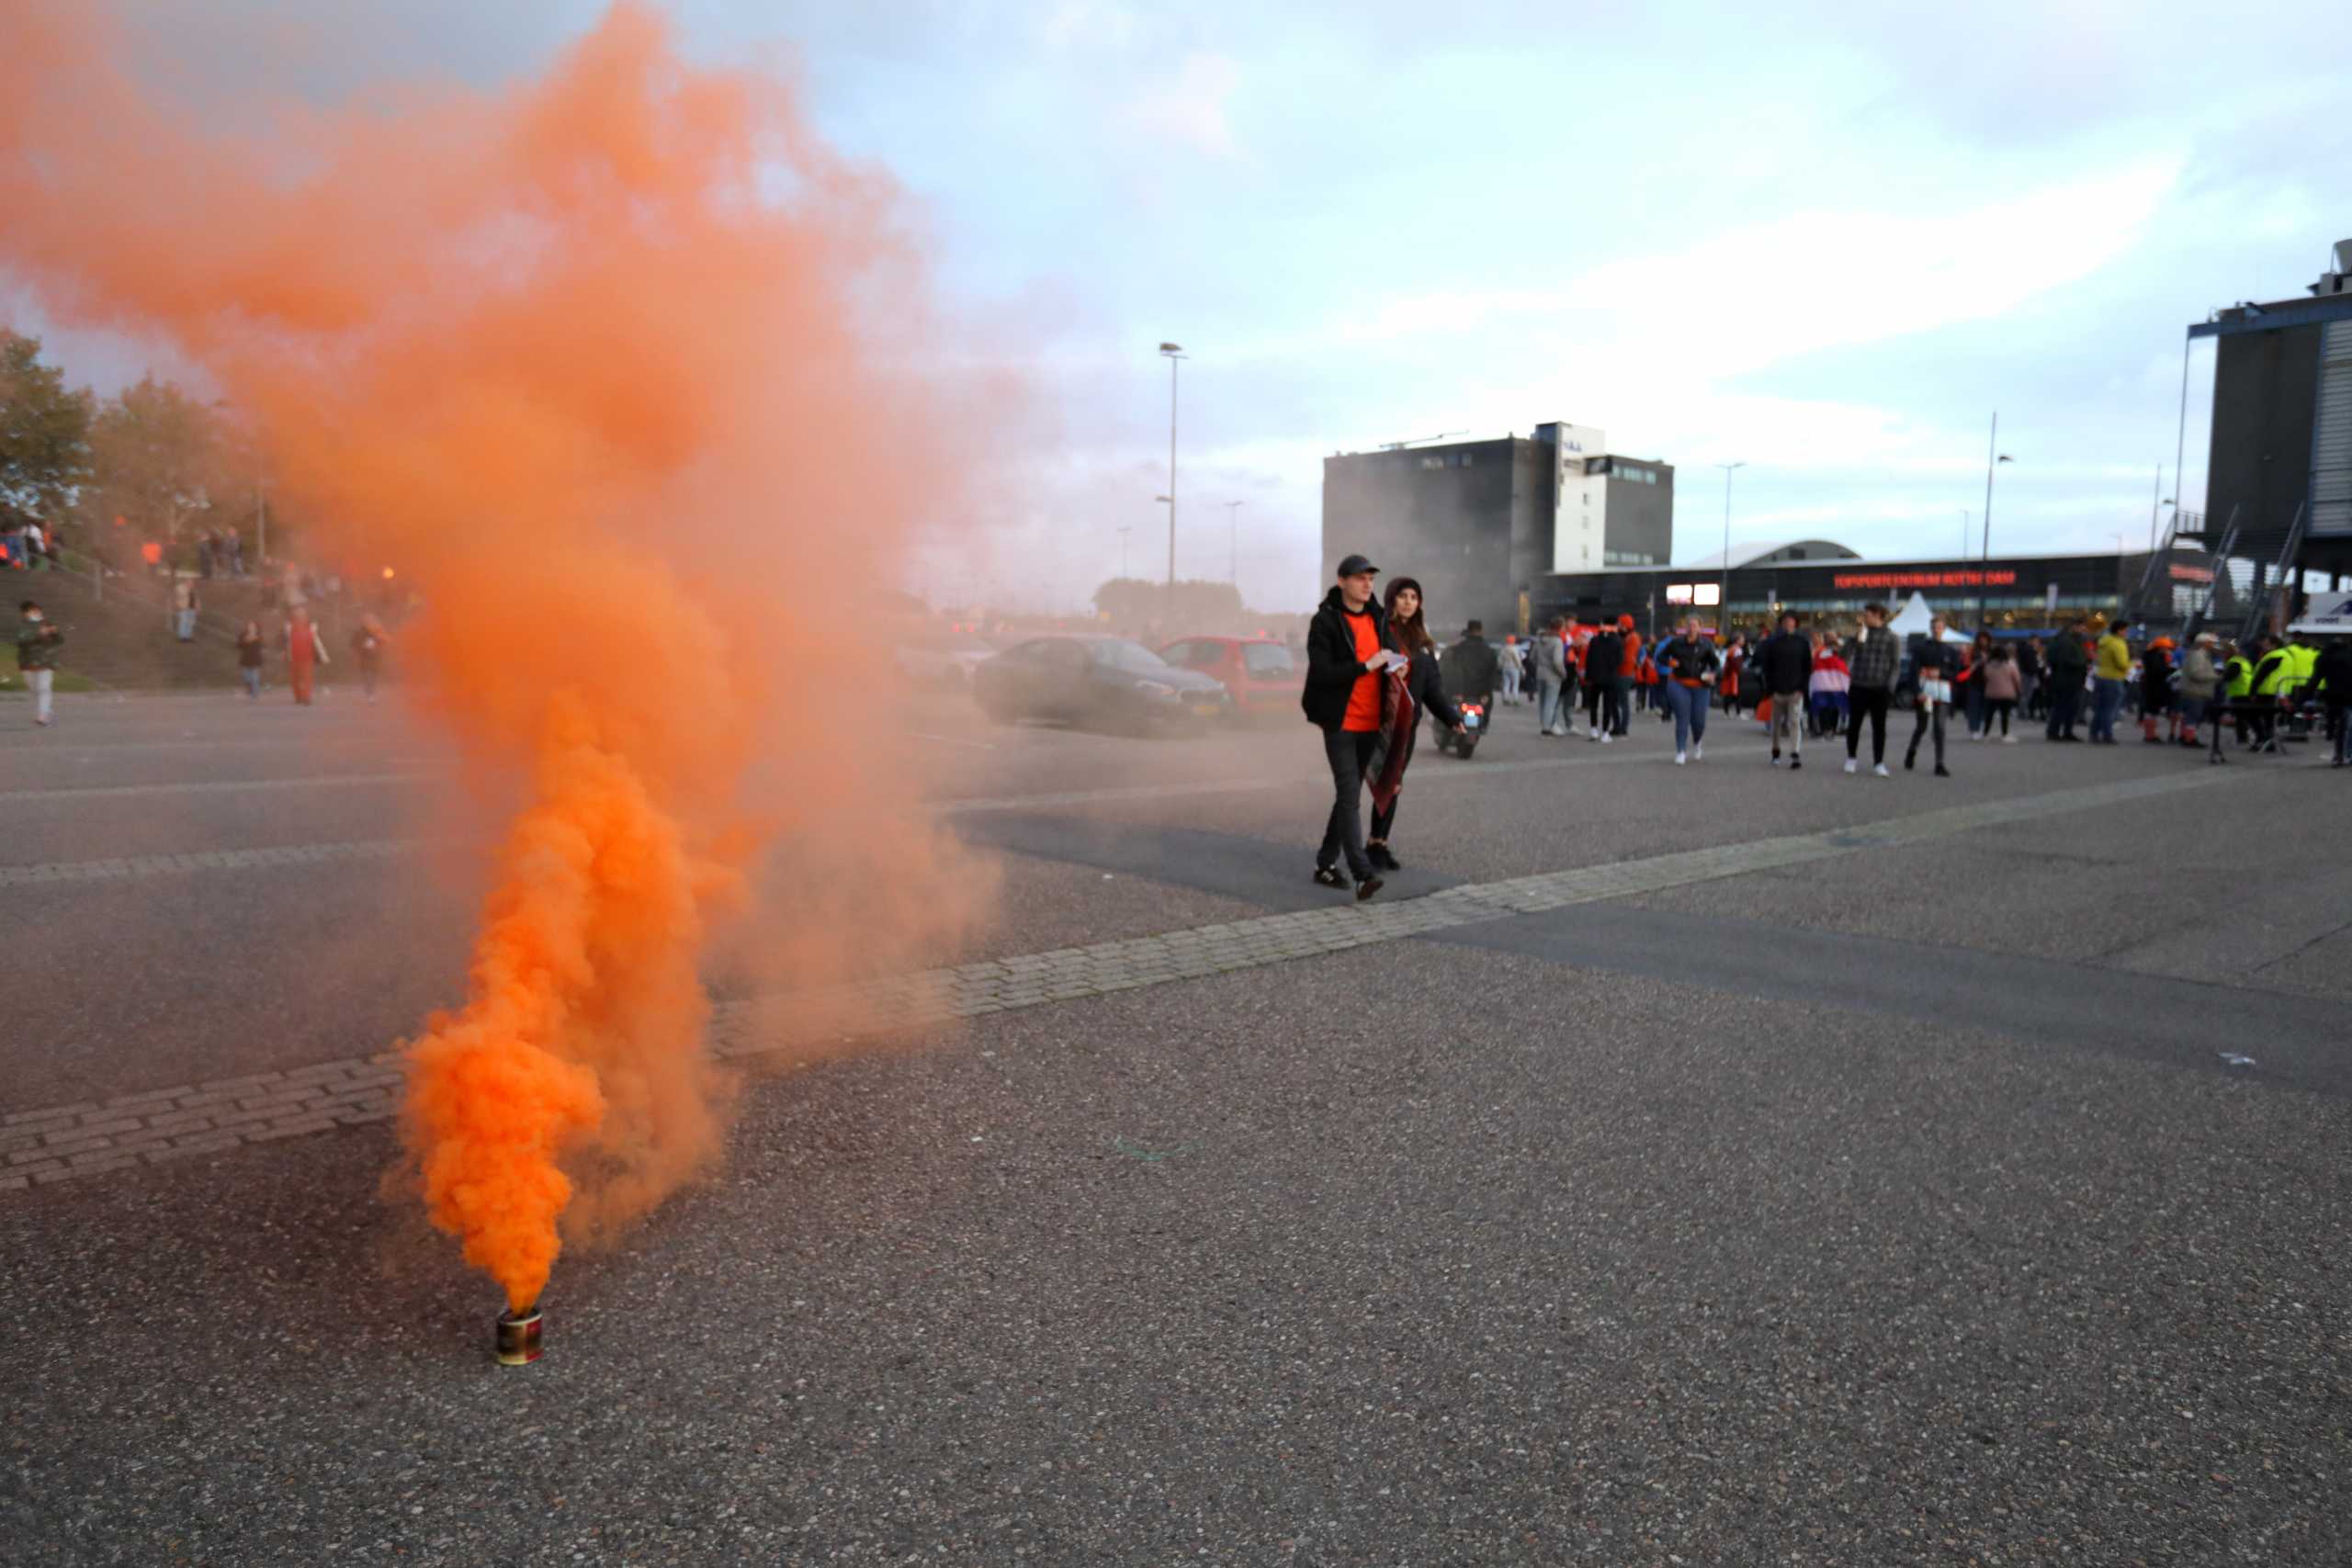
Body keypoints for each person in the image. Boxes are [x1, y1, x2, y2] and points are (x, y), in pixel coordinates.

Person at [1301, 553, 1394, 900]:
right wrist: (1364, 666)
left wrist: (1396, 666)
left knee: (1347, 796)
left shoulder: (1378, 617)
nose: (1367, 584)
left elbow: (1392, 653)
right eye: (1360, 578)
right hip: (1340, 722)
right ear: (1342, 582)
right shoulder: (1326, 621)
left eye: (1371, 578)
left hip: (1371, 722)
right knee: (1350, 794)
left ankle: (1325, 863)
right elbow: (1322, 671)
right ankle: (1361, 873)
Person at [1364, 578, 1465, 871]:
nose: (1408, 601)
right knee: (1371, 783)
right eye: (1402, 596)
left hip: (1406, 724)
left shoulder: (1421, 640)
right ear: (1392, 599)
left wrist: (1451, 717)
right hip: (1379, 721)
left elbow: (1432, 687)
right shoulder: (1381, 631)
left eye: (1414, 597)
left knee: (1393, 785)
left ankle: (1378, 843)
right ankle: (1346, 850)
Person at [1843, 602, 1899, 776]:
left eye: (1867, 615)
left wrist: (1890, 687)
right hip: (1859, 685)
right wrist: (1853, 640)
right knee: (1854, 725)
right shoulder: (1860, 634)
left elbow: (1895, 664)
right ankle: (1851, 758)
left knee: (1879, 727)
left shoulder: (1892, 637)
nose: (1864, 618)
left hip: (1880, 688)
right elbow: (1844, 656)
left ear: (1877, 616)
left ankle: (1878, 762)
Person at [1655, 616, 1719, 764]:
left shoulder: (1706, 644)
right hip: (1679, 683)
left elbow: (1715, 663)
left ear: (1700, 628)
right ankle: (1681, 751)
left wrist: (1713, 674)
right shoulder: (1676, 643)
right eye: (1689, 625)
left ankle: (1697, 742)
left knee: (1698, 720)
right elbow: (1660, 657)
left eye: (1695, 625)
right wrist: (1670, 662)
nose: (1691, 628)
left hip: (1700, 685)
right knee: (1682, 717)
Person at [1905, 613, 1962, 777]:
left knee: (1939, 727)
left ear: (1944, 629)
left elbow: (1955, 673)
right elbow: (1913, 672)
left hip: (1942, 692)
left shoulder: (1951, 651)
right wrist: (1917, 692)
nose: (1937, 630)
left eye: (1940, 627)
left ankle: (1939, 763)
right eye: (1934, 627)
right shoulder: (1922, 648)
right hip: (1925, 692)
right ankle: (1912, 750)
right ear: (1931, 628)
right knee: (1922, 726)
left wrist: (1941, 673)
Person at [1756, 611, 1813, 769]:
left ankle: (1795, 753)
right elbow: (1767, 667)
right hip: (1777, 690)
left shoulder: (1802, 643)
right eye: (1786, 621)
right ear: (1781, 623)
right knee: (1776, 724)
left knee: (1794, 722)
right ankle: (1776, 751)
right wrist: (1770, 688)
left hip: (1795, 690)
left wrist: (1802, 688)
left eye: (1791, 620)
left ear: (1796, 623)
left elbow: (1807, 667)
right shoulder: (1773, 643)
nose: (1788, 623)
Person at [16, 599, 62, 727]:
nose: (36, 613)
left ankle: (42, 716)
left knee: (43, 688)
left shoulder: (47, 623)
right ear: (25, 613)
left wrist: (55, 632)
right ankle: (47, 711)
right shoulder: (22, 626)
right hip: (27, 662)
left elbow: (59, 641)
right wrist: (39, 634)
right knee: (34, 689)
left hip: (46, 662)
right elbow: (21, 640)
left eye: (37, 610)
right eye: (32, 611)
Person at [2046, 617, 2089, 740]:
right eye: (2081, 626)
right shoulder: (2066, 641)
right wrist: (2082, 662)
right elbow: (2065, 661)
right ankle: (2055, 732)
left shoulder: (2072, 640)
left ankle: (2065, 731)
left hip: (2070, 679)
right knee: (2062, 706)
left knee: (2069, 707)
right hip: (2066, 680)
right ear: (2074, 627)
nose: (2084, 629)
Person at [2177, 631, 2220, 756]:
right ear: (2205, 643)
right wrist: (2215, 676)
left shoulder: (2198, 654)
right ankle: (2189, 739)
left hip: (2193, 690)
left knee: (2190, 716)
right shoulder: (2199, 655)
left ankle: (2186, 737)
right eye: (2211, 643)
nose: (2213, 645)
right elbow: (2196, 673)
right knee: (2193, 717)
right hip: (2196, 691)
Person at [2090, 617, 2132, 744]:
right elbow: (2122, 664)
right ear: (2119, 631)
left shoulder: (2104, 641)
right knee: (2110, 709)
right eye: (2125, 630)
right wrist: (2131, 665)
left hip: (2101, 677)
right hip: (2113, 679)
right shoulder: (2118, 643)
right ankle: (2107, 735)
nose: (2127, 633)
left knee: (2100, 708)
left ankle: (2094, 734)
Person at [2313, 635, 2352, 768]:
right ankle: (2343, 754)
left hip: (2336, 696)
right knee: (2345, 726)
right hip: (2344, 696)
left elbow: (2315, 679)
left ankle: (2341, 754)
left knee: (2343, 726)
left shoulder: (2326, 657)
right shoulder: (2344, 656)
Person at [1584, 619, 1623, 743]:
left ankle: (1593, 729)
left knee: (1594, 704)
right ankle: (1605, 732)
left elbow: (1588, 659)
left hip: (1595, 677)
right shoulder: (1617, 641)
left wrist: (1588, 676)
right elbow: (1620, 660)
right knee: (1607, 706)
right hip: (1610, 678)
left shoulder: (1594, 640)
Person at [1809, 630, 1850, 740]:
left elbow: (1844, 663)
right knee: (1825, 708)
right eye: (1828, 637)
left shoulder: (1840, 650)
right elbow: (1815, 665)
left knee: (1835, 708)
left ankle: (1832, 729)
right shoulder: (1821, 651)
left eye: (1832, 637)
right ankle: (1825, 730)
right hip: (1824, 684)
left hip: (1836, 685)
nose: (1831, 639)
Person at [1532, 615, 1569, 737]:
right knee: (1551, 702)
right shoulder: (1557, 641)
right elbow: (1557, 662)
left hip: (1540, 674)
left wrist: (1540, 665)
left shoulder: (1539, 639)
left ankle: (1544, 724)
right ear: (1559, 627)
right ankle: (1547, 727)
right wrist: (1563, 674)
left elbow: (1532, 657)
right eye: (1564, 626)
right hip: (1553, 676)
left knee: (1542, 701)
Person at [284, 606, 329, 705]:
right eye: (298, 615)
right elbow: (283, 641)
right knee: (295, 679)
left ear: (306, 616)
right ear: (294, 616)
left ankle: (306, 697)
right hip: (293, 658)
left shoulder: (312, 627)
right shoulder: (289, 627)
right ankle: (298, 697)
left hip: (308, 657)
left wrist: (323, 655)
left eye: (302, 615)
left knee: (307, 678)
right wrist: (284, 652)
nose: (300, 617)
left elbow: (318, 642)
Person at [1980, 643, 2021, 741]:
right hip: (2007, 693)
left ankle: (1985, 734)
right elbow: (2017, 679)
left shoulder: (1988, 665)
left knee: (1989, 715)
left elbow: (1985, 678)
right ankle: (2005, 734)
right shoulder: (2010, 664)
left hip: (1991, 693)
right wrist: (2019, 690)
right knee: (2005, 715)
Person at [2140, 636, 2176, 744]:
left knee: (2151, 711)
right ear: (2161, 647)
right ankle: (2150, 735)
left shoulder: (2150, 655)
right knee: (2152, 711)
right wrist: (2170, 669)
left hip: (2150, 686)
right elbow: (2158, 671)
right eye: (2166, 648)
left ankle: (2150, 734)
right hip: (2154, 687)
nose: (2168, 650)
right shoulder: (2156, 657)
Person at [1961, 630, 1995, 739]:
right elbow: (1965, 665)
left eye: (1985, 639)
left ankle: (1983, 729)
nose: (1983, 641)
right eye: (1981, 639)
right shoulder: (1973, 651)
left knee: (1986, 708)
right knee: (1974, 707)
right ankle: (1974, 729)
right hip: (1974, 682)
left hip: (1988, 683)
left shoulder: (1992, 651)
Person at [351, 615, 389, 703]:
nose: (368, 623)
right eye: (366, 621)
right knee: (367, 676)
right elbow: (353, 644)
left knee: (373, 676)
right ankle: (370, 694)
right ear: (363, 623)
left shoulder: (377, 631)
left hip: (375, 657)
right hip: (364, 657)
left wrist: (379, 643)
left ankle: (371, 693)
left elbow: (385, 641)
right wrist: (360, 648)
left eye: (370, 621)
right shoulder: (359, 632)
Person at [236, 619, 266, 700]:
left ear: (256, 627)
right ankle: (249, 689)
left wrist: (255, 639)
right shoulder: (243, 635)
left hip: (255, 659)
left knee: (255, 677)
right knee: (246, 677)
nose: (251, 627)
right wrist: (246, 640)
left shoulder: (259, 635)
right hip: (246, 660)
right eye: (250, 626)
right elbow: (238, 645)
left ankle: (255, 695)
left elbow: (263, 644)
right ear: (247, 627)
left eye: (253, 626)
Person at [1497, 633, 1521, 705]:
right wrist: (1520, 667)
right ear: (1513, 641)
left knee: (1506, 685)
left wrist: (1500, 666)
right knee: (1515, 685)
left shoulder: (1503, 649)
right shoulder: (1514, 648)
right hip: (1514, 668)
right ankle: (1515, 700)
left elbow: (1499, 659)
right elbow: (1517, 659)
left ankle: (1505, 699)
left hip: (1505, 668)